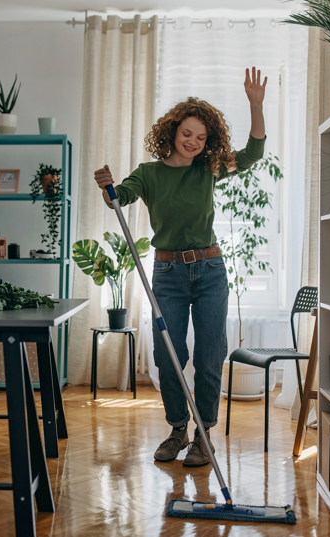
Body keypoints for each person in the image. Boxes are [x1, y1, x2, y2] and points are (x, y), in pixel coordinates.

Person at [94, 67, 268, 467]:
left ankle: (203, 434)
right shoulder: (150, 174)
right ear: (172, 131)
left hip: (209, 272)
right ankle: (177, 429)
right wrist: (107, 186)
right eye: (187, 133)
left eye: (201, 137)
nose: (193, 142)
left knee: (209, 354)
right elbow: (118, 197)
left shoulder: (207, 169)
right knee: (168, 356)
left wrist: (255, 105)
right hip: (168, 275)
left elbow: (253, 154)